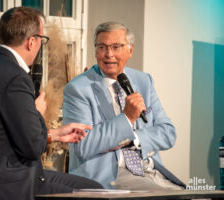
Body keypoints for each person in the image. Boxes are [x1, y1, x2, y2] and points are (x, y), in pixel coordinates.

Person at [0, 7, 102, 200]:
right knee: (96, 193)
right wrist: (36, 112)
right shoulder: (15, 77)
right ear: (31, 42)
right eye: (42, 40)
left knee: (93, 188)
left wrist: (54, 134)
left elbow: (9, 133)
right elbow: (31, 148)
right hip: (3, 184)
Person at [62, 22, 186, 191]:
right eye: (102, 47)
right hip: (110, 176)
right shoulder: (78, 89)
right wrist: (127, 118)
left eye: (116, 47)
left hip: (150, 170)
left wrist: (132, 139)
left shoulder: (143, 81)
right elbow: (82, 145)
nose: (108, 54)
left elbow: (168, 133)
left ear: (130, 50)